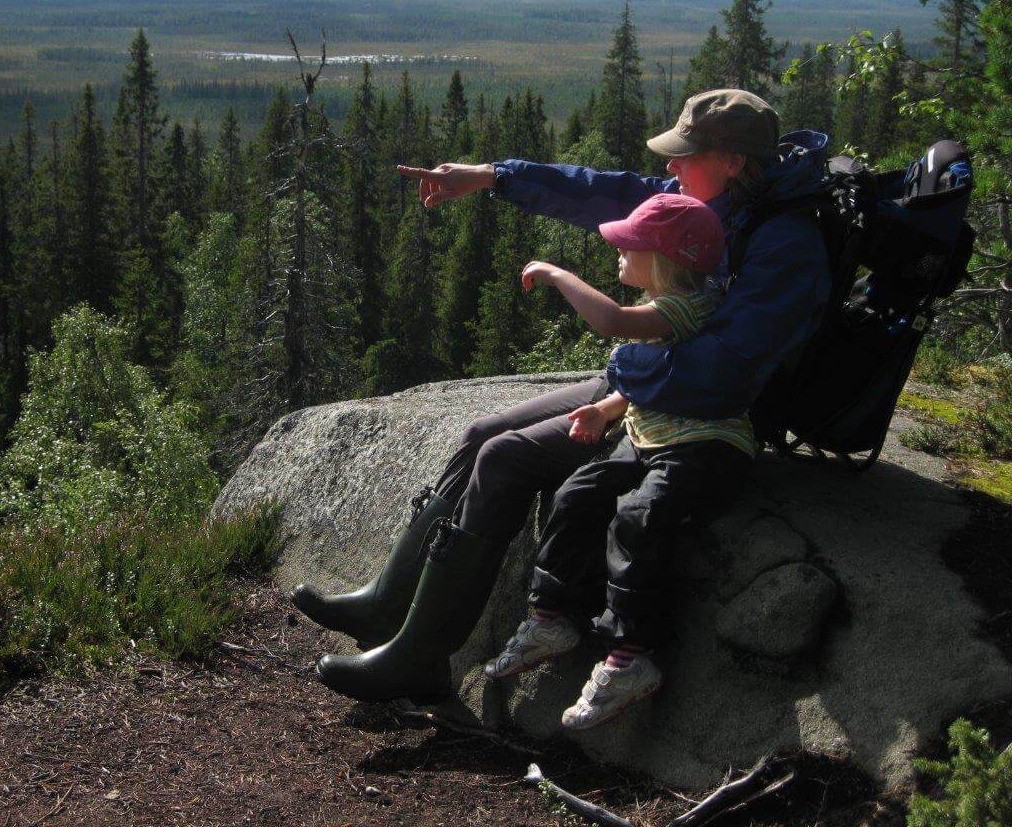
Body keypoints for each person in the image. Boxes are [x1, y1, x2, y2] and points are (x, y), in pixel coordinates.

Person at [292, 89, 832, 709]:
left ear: (732, 161)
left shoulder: (786, 244)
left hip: (692, 419)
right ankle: (387, 606)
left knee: (503, 457)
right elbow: (601, 191)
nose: (670, 167)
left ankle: (421, 659)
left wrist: (623, 374)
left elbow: (725, 373)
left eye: (685, 155)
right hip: (648, 386)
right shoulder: (706, 201)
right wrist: (492, 176)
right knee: (479, 434)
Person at [489, 192, 754, 729]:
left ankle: (632, 656)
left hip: (704, 445)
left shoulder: (687, 305)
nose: (618, 252)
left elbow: (610, 320)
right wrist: (607, 409)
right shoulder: (673, 307)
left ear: (664, 259)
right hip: (648, 434)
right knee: (576, 495)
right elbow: (657, 375)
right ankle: (552, 616)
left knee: (638, 518)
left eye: (629, 245)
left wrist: (557, 275)